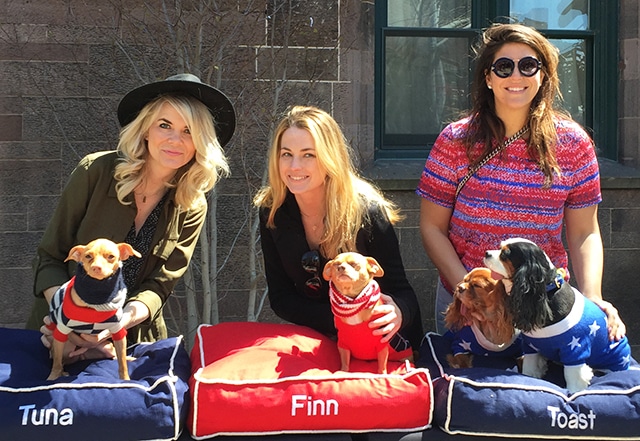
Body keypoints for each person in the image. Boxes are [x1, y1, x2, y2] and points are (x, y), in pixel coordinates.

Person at [416, 23, 625, 339]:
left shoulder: (573, 144)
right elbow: (432, 228)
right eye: (503, 67)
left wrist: (592, 295)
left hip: (545, 303)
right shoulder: (456, 140)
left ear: (543, 76)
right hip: (470, 306)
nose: (516, 76)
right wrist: (470, 293)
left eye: (529, 65)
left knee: (548, 386)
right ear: (488, 77)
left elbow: (584, 232)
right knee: (469, 386)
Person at [26, 73, 235, 360]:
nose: (176, 140)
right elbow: (50, 257)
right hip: (57, 333)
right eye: (165, 125)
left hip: (130, 341)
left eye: (189, 131)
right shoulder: (95, 172)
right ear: (146, 129)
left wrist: (113, 325)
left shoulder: (193, 204)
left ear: (201, 141)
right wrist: (69, 320)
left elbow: (160, 286)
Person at [254, 105, 424, 351]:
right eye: (286, 154)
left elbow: (402, 291)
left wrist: (399, 312)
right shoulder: (272, 212)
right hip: (318, 341)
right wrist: (343, 320)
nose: (294, 167)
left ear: (329, 158)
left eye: (308, 155)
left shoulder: (367, 211)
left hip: (381, 345)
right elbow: (281, 298)